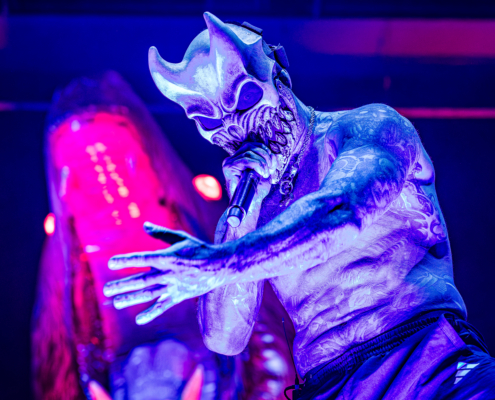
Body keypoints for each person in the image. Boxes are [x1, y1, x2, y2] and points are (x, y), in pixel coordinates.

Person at [104, 13, 495, 399]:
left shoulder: (367, 127)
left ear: (279, 77)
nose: (235, 127)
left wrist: (219, 263)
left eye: (245, 99)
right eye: (209, 119)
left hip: (427, 365)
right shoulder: (248, 213)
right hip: (330, 386)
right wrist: (241, 221)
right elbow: (225, 339)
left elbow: (341, 215)